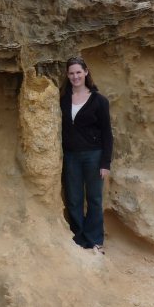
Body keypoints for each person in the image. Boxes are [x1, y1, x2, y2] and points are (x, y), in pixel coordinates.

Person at [60, 56, 113, 252]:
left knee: (94, 198)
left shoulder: (99, 101)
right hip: (71, 156)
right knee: (73, 198)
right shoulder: (63, 99)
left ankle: (95, 239)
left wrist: (105, 163)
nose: (75, 76)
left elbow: (107, 133)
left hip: (94, 155)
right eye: (71, 73)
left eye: (78, 72)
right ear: (67, 75)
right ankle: (79, 237)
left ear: (86, 72)